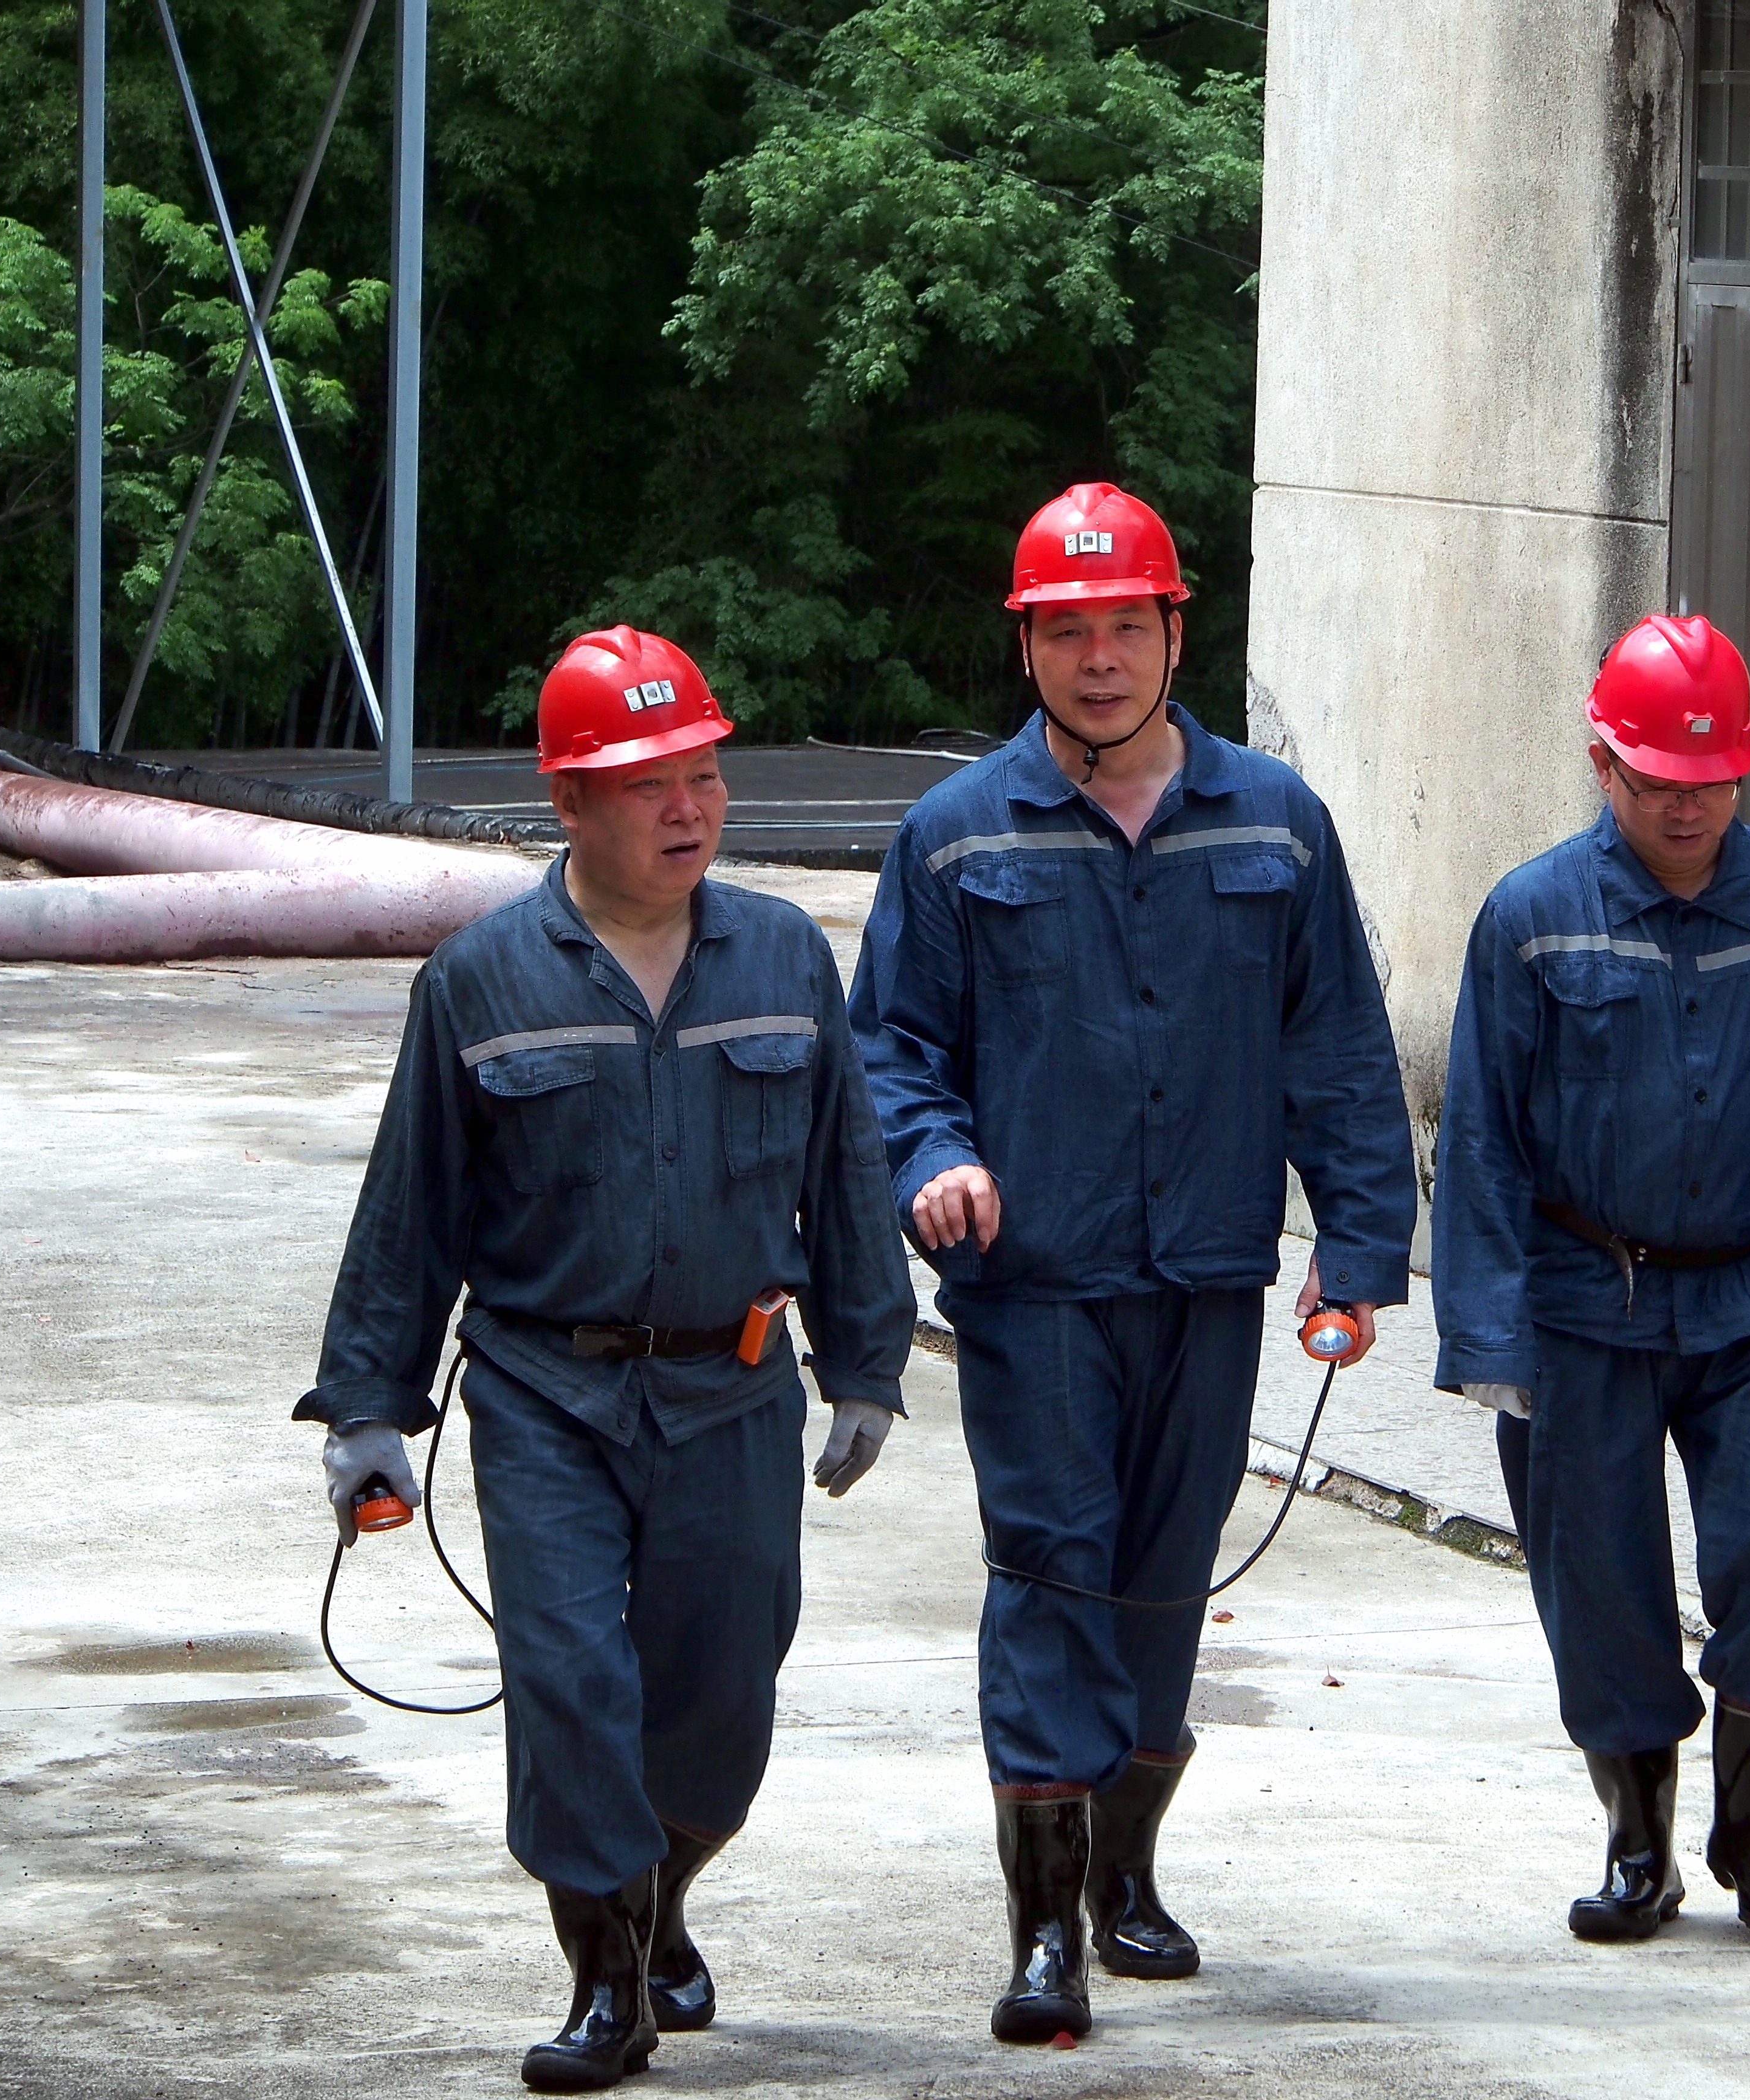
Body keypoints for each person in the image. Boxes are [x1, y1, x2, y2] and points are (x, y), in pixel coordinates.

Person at [298, 626, 916, 2091]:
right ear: (570, 803)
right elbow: (414, 1205)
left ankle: (659, 1895)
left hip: (735, 1386)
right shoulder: (479, 981)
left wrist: (869, 1361)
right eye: (650, 783)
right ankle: (606, 1983)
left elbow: (846, 1168)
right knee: (572, 1680)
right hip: (544, 1391)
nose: (689, 806)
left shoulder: (781, 954)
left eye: (704, 773)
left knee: (719, 1699)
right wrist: (369, 1409)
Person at [848, 482, 1416, 2042]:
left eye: (1126, 625)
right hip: (1034, 1290)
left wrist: (1358, 1248)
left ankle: (1126, 1870)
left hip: (1208, 1280)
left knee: (1165, 1583)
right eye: (1067, 631)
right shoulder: (956, 837)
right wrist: (934, 1158)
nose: (1099, 658)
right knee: (1047, 1572)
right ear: (1026, 645)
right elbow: (890, 1050)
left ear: (1176, 629)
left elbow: (1340, 1052)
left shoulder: (1276, 823)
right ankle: (1043, 1938)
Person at [1432, 614, 1750, 1944]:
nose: (1685, 805)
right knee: (1596, 1578)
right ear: (1603, 763)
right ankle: (1637, 1838)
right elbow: (1480, 1134)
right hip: (1584, 1299)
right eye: (1656, 781)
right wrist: (1484, 1333)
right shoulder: (1533, 917)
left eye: (1710, 782)